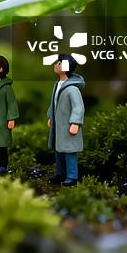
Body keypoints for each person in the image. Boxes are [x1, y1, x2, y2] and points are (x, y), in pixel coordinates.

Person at [47, 52, 85, 187]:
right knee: (59, 150)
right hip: (58, 124)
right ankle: (61, 173)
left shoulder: (72, 89)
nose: (55, 65)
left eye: (58, 63)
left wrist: (76, 122)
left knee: (69, 151)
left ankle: (72, 176)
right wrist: (51, 116)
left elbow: (78, 107)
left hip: (68, 125)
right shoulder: (58, 84)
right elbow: (54, 103)